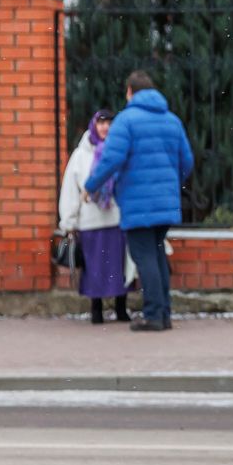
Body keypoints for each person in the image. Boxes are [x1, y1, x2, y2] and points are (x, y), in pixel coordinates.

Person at [80, 70, 194, 332]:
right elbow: (186, 161)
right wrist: (169, 183)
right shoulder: (172, 121)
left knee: (145, 258)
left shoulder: (126, 121)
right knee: (156, 254)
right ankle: (164, 313)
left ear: (130, 91)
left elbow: (111, 160)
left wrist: (90, 186)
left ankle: (154, 315)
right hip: (165, 203)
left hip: (137, 203)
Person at [57, 110, 131, 325]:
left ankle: (121, 308)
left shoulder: (120, 150)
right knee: (95, 269)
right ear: (93, 125)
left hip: (117, 219)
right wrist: (69, 220)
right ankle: (96, 309)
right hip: (91, 222)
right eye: (101, 122)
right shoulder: (80, 156)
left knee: (119, 267)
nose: (105, 127)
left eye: (109, 122)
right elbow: (71, 189)